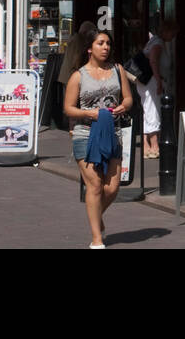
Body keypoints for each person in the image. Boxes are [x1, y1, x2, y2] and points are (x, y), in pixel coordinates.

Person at [63, 29, 132, 248]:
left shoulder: (117, 69)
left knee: (112, 188)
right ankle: (97, 238)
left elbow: (128, 98)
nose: (106, 47)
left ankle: (96, 217)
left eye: (108, 43)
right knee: (95, 184)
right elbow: (68, 108)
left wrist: (124, 106)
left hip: (112, 131)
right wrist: (89, 113)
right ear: (89, 48)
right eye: (101, 43)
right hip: (86, 133)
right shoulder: (78, 76)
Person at [138, 19, 176, 158]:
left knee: (147, 110)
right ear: (166, 31)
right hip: (152, 81)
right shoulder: (158, 43)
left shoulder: (153, 40)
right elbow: (153, 60)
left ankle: (146, 145)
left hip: (146, 81)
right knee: (153, 110)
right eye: (172, 33)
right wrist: (159, 80)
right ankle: (154, 145)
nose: (173, 36)